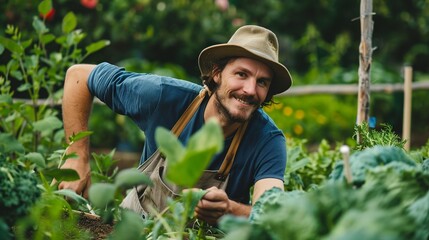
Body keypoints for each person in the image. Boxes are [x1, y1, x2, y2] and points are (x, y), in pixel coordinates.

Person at [59, 25, 293, 225]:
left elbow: (271, 216)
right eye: (241, 74)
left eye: (262, 82)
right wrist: (76, 156)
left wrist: (229, 210)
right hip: (134, 231)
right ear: (217, 73)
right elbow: (78, 76)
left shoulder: (267, 140)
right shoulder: (163, 97)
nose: (250, 90)